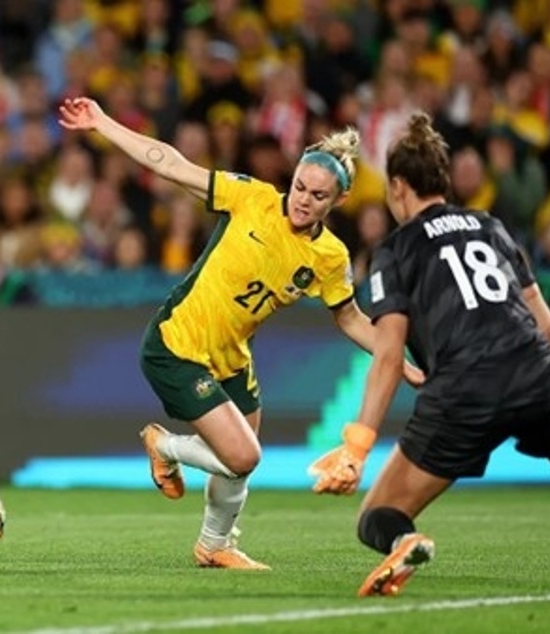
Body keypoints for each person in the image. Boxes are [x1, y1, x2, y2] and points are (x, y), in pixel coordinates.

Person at [57, 97, 424, 570]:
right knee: (243, 457)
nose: (303, 200)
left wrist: (400, 360)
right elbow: (172, 165)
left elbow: (350, 318)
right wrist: (104, 122)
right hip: (178, 344)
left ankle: (215, 545)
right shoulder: (251, 198)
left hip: (231, 357)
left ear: (338, 202)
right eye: (299, 187)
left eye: (317, 196)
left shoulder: (330, 257)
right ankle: (162, 445)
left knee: (238, 461)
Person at [309, 112, 550, 597]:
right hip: (535, 370)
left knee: (378, 516)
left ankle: (406, 541)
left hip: (465, 389)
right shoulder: (491, 228)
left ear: (397, 186)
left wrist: (358, 446)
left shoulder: (397, 249)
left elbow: (388, 357)